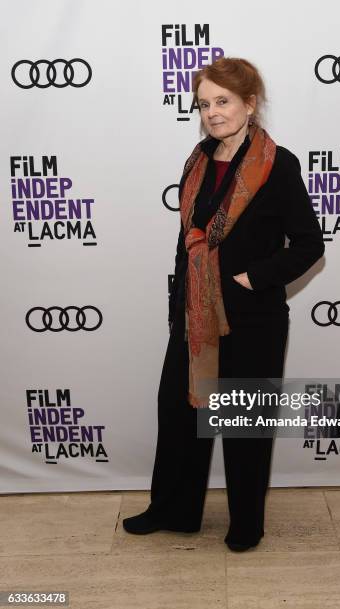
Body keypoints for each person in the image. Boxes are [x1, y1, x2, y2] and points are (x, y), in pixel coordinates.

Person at [123, 57, 325, 551]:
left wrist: (252, 278)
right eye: (204, 103)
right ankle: (175, 510)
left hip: (252, 320)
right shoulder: (197, 159)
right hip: (195, 317)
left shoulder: (278, 165)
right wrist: (180, 308)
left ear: (249, 103)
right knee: (178, 415)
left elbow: (308, 245)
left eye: (223, 101)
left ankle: (245, 524)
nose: (213, 113)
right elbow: (190, 241)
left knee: (242, 427)